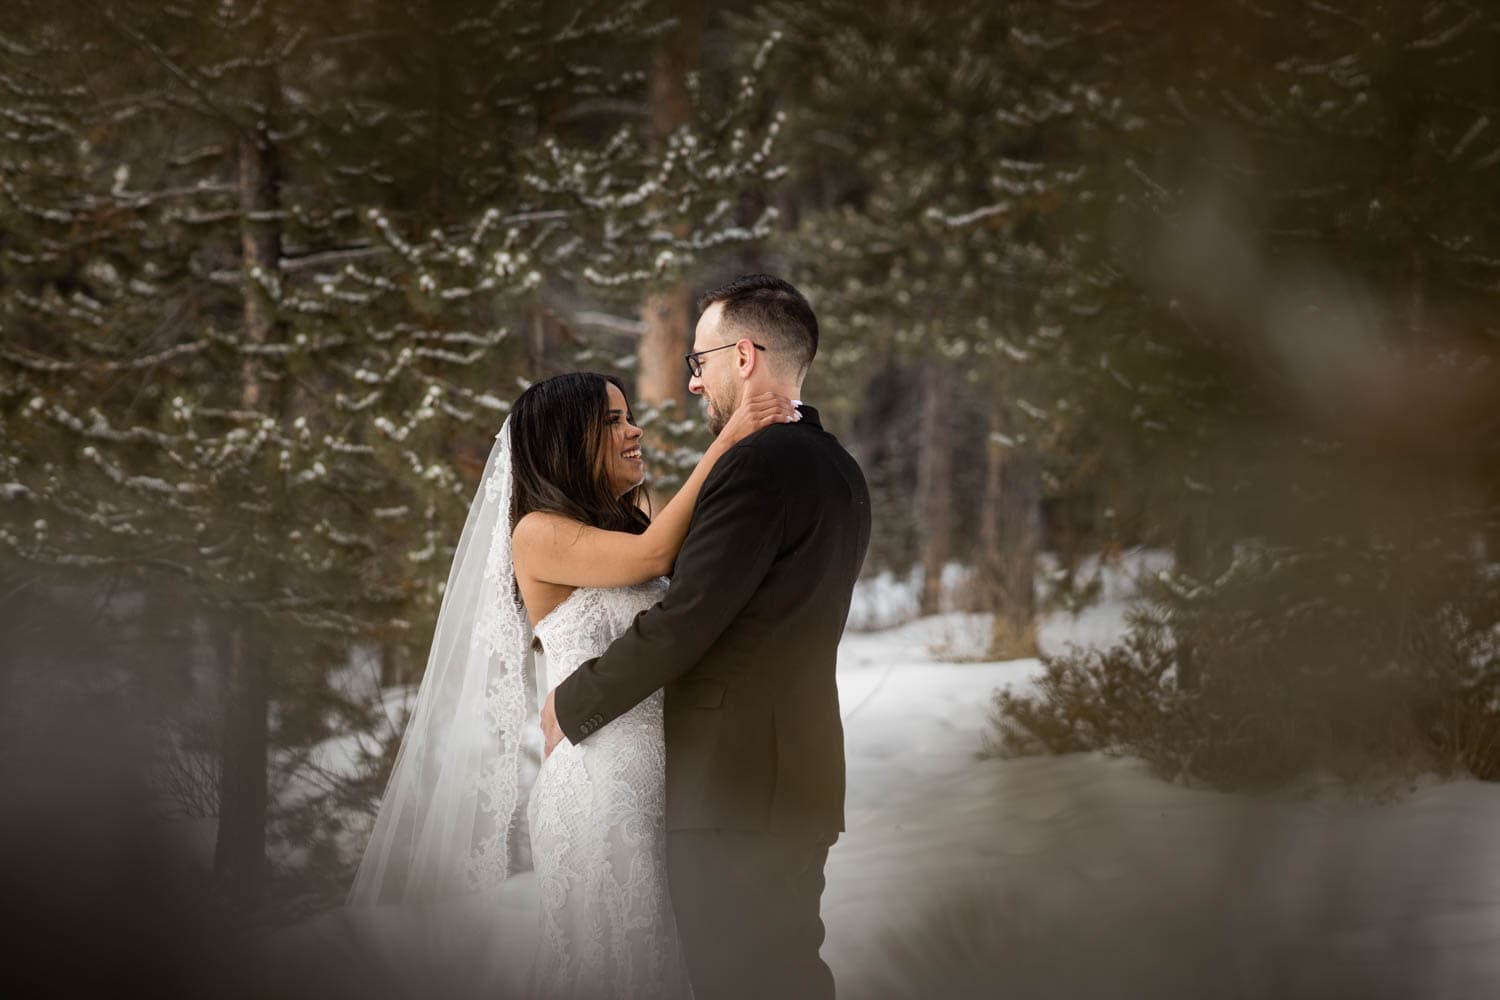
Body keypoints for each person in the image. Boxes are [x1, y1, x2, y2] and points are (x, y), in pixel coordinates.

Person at [347, 368, 796, 999]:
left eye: (628, 414)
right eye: (612, 421)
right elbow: (655, 561)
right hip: (602, 785)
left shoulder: (625, 522)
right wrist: (727, 442)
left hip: (666, 782)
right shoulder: (537, 533)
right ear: (564, 441)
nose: (634, 430)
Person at [542, 274, 872, 999]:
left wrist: (572, 705)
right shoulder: (840, 468)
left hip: (735, 790)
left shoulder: (757, 465)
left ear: (745, 356)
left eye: (701, 361)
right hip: (797, 778)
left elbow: (687, 619)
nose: (694, 382)